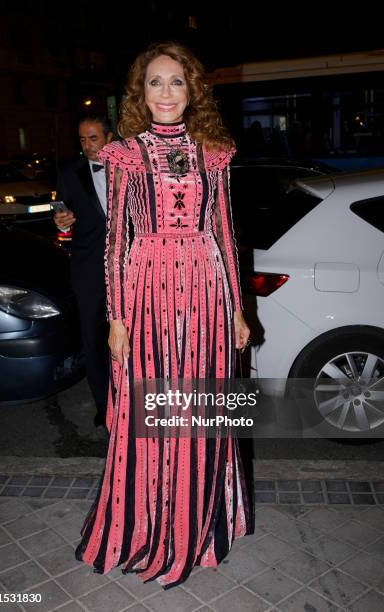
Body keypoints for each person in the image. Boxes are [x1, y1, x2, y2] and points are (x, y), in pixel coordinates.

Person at [75, 42, 255, 589]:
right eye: (156, 82)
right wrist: (116, 318)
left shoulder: (215, 153)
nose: (167, 92)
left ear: (192, 89)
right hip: (147, 289)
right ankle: (152, 523)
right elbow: (115, 242)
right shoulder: (124, 154)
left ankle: (203, 519)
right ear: (140, 92)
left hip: (206, 292)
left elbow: (225, 233)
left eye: (177, 81)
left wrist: (239, 310)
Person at [54, 114, 113, 427]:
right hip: (88, 267)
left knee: (134, 337)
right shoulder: (69, 173)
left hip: (128, 267)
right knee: (92, 339)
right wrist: (61, 223)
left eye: (93, 138)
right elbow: (62, 216)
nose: (88, 145)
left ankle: (136, 401)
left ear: (109, 137)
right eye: (82, 139)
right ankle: (105, 406)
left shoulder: (129, 169)